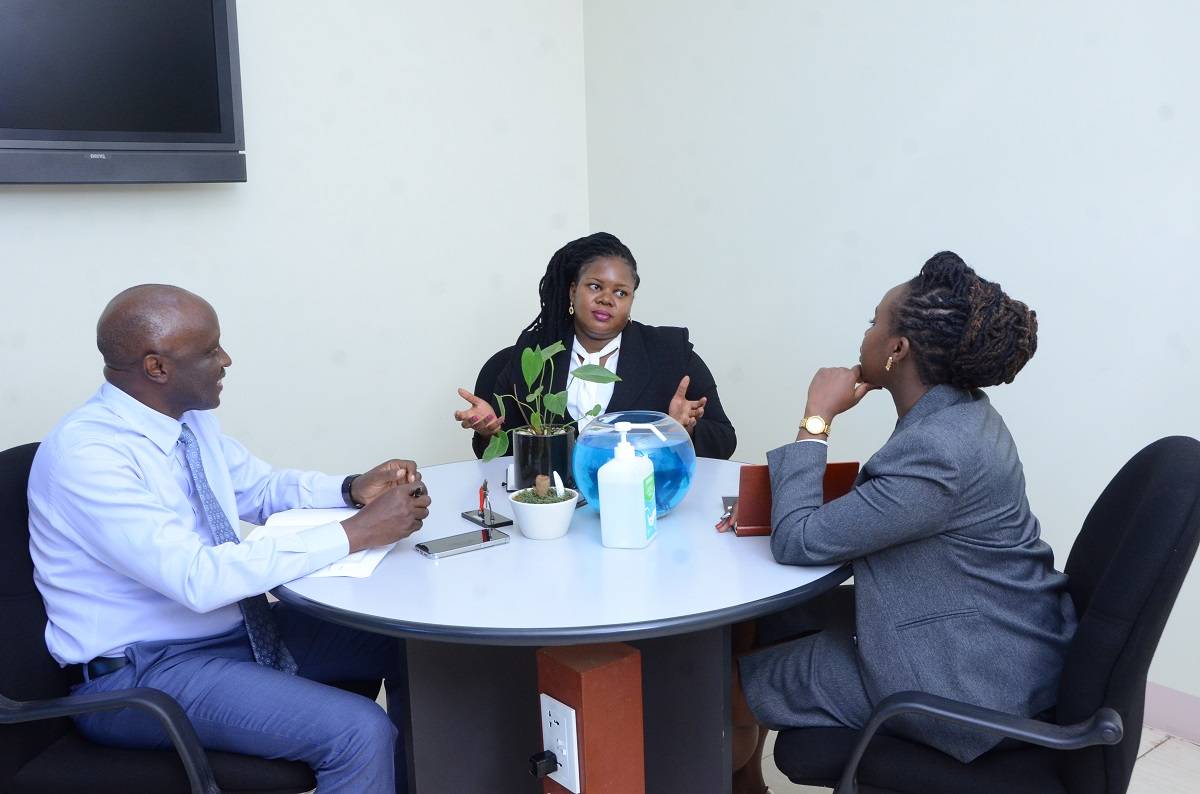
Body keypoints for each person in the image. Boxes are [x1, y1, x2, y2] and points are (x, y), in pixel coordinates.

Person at [27, 285, 430, 794]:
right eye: (210, 350)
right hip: (142, 673)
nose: (226, 360)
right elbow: (198, 579)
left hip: (234, 636)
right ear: (157, 367)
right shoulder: (89, 457)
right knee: (357, 732)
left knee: (420, 647)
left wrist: (350, 489)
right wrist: (353, 533)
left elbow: (259, 490)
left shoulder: (187, 423)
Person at [718, 252, 1077, 794]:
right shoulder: (964, 415)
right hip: (989, 628)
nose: (865, 333)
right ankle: (747, 786)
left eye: (873, 322)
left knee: (720, 690)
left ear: (897, 349)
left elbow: (797, 541)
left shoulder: (939, 452)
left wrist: (816, 417)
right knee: (764, 621)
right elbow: (892, 508)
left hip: (966, 679)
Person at [454, 232, 737, 459]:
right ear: (572, 290)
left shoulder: (671, 352)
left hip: (644, 498)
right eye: (595, 286)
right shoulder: (536, 351)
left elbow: (725, 440)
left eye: (621, 292)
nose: (606, 299)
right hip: (554, 501)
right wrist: (489, 432)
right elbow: (503, 457)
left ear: (631, 300)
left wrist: (682, 431)